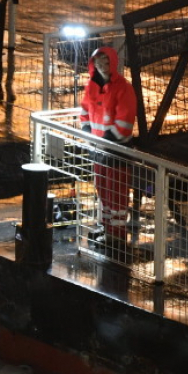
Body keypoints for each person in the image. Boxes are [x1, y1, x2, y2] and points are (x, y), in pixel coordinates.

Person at [80, 46, 137, 252]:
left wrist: (105, 139)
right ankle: (106, 228)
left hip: (117, 149)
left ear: (113, 64)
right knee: (102, 190)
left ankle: (118, 235)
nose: (102, 67)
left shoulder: (123, 88)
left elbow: (125, 119)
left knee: (117, 194)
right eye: (99, 63)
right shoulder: (92, 86)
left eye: (105, 63)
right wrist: (88, 132)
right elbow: (85, 111)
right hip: (99, 148)